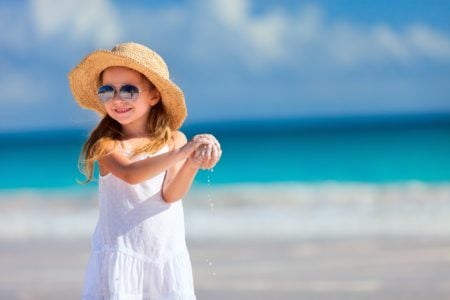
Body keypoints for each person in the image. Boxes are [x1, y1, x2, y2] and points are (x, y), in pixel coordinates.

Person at [68, 42, 221, 300]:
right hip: (122, 257)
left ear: (153, 95)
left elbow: (171, 194)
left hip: (165, 256)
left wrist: (193, 162)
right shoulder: (106, 144)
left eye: (128, 91)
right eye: (108, 91)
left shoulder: (174, 140)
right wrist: (182, 154)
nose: (117, 99)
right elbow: (131, 173)